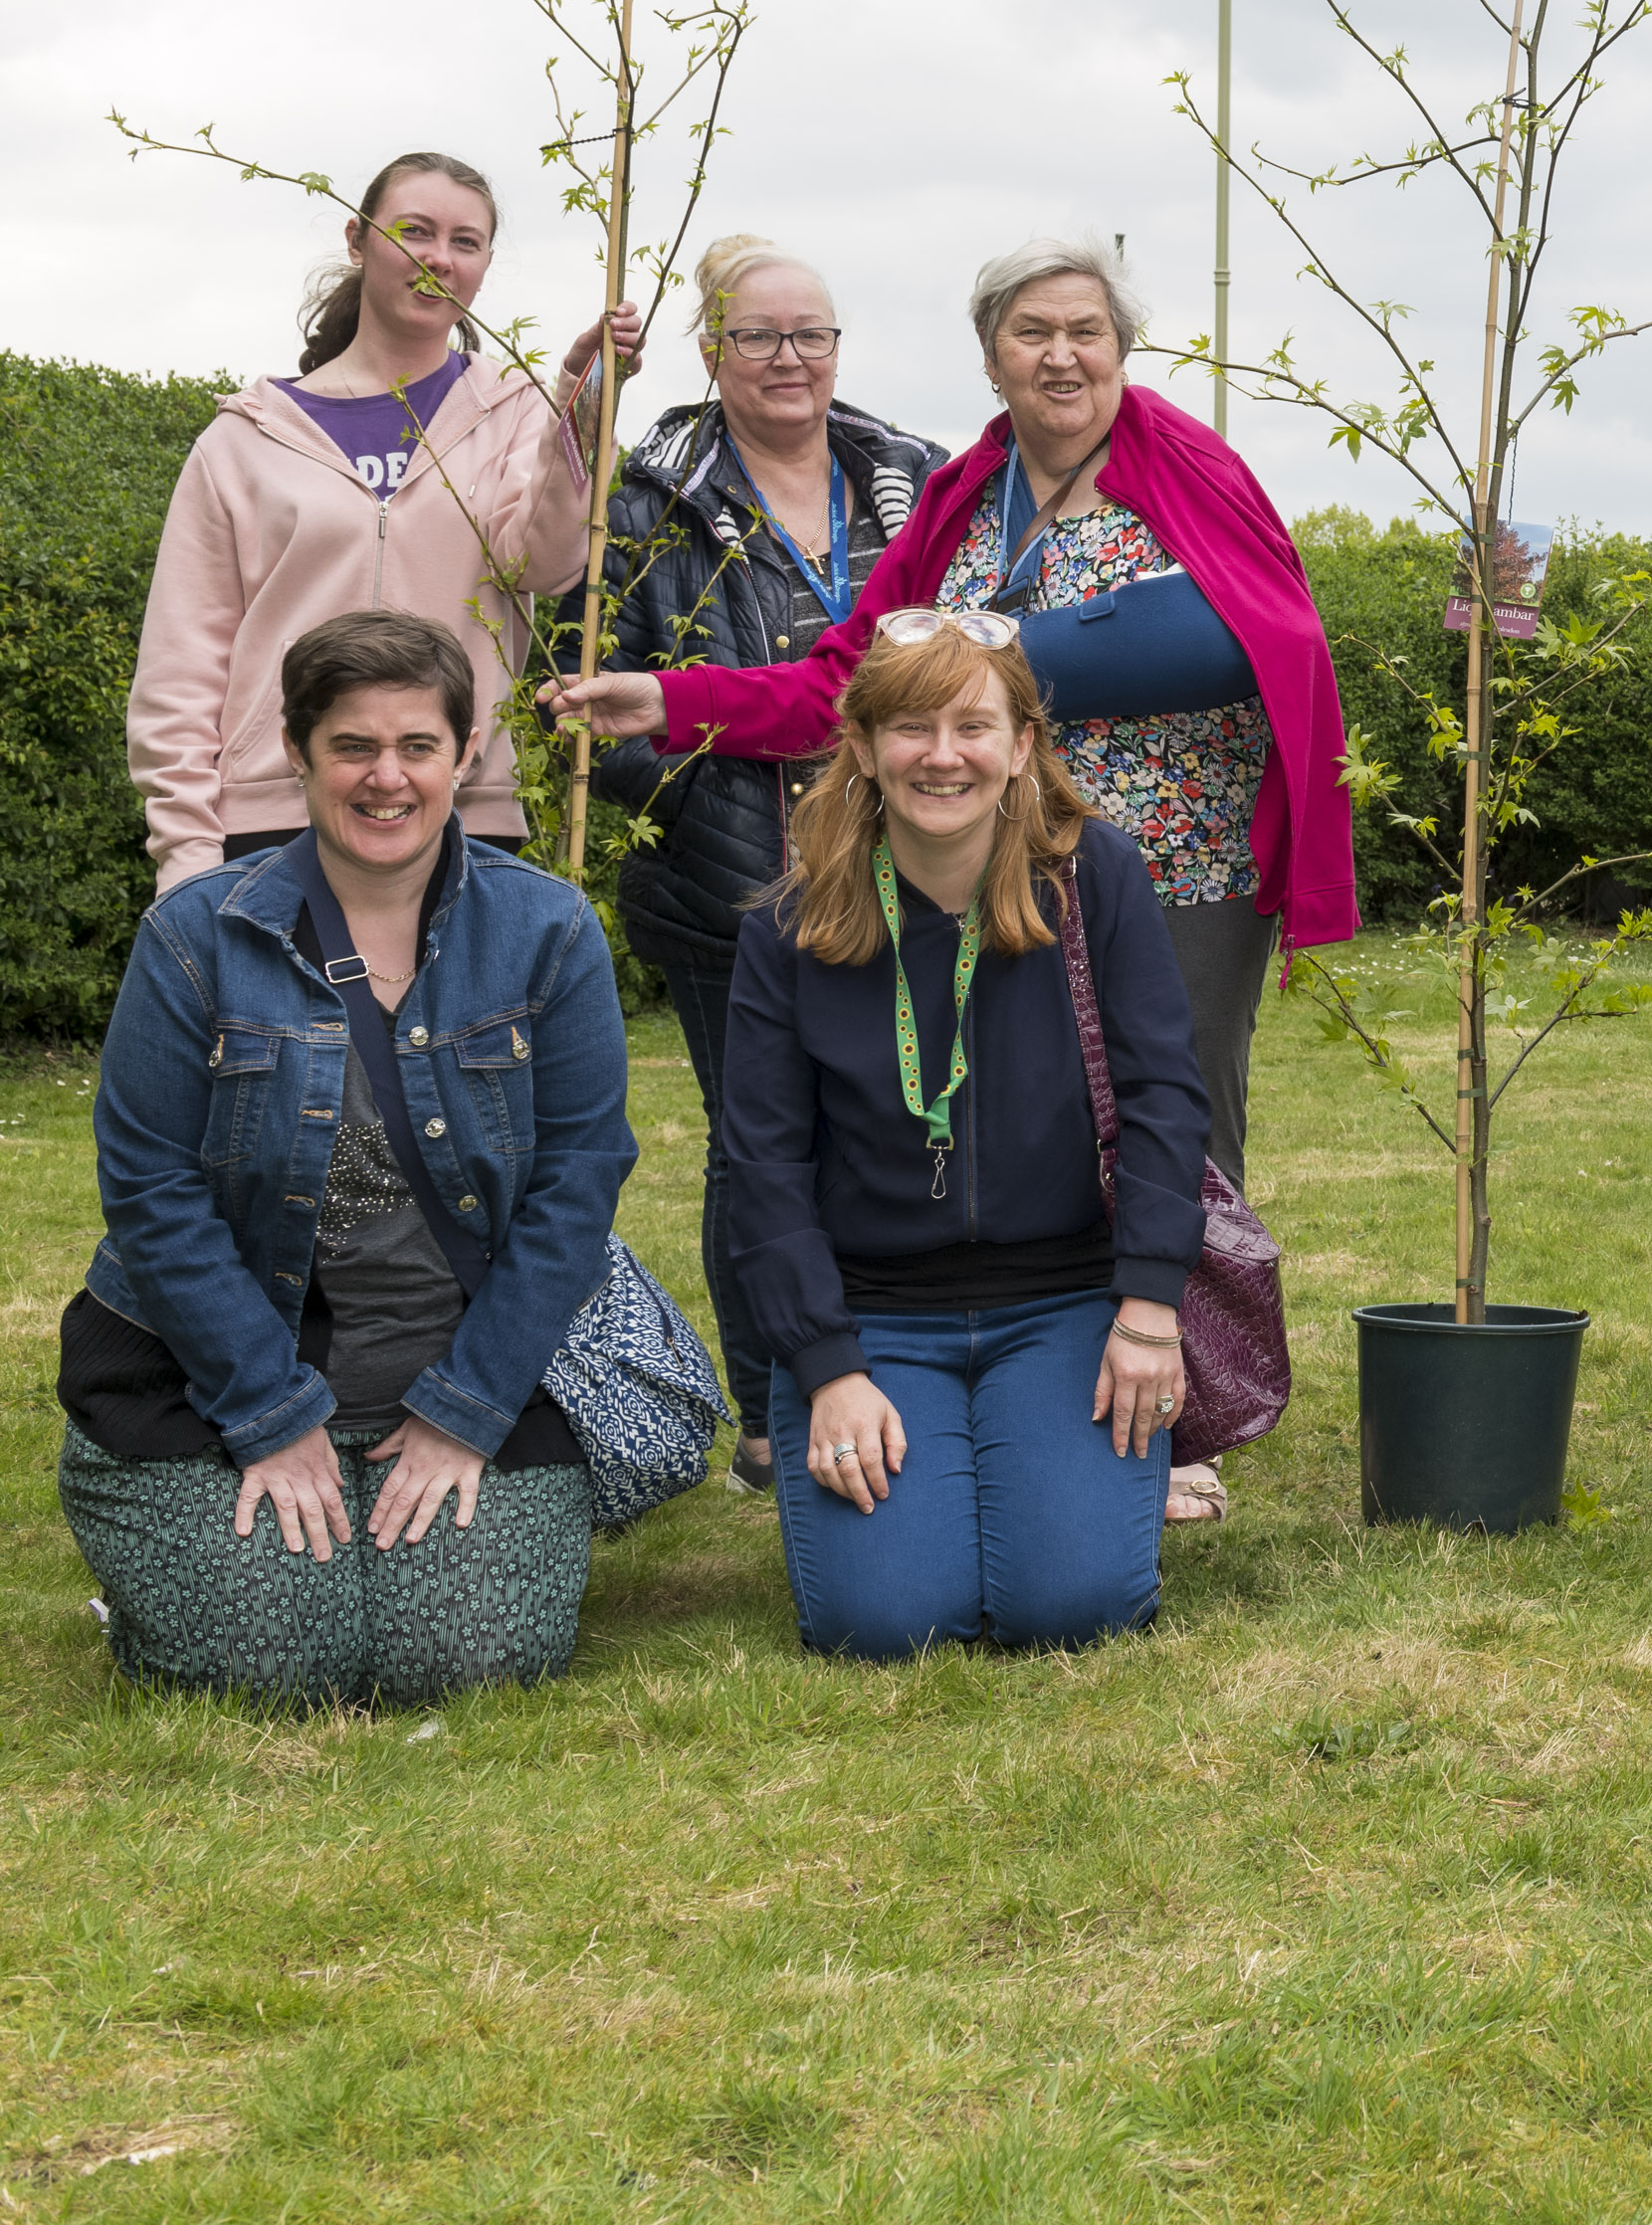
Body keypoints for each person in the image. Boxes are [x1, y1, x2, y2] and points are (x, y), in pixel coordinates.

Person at [548, 238, 1354, 1519]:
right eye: (1031, 332)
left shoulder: (1182, 465)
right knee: (1040, 1132)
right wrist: (674, 695)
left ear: (1121, 345)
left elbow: (1246, 629)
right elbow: (857, 683)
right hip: (1003, 875)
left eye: (1085, 329)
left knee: (1175, 1123)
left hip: (1177, 860)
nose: (1061, 355)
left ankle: (1179, 1409)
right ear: (990, 357)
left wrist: (991, 652)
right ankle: (1047, 1383)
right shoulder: (960, 495)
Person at [57, 609, 633, 1706]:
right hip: (217, 1373)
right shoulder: (194, 937)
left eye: (418, 746)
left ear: (467, 754)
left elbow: (577, 1183)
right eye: (353, 747)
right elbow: (151, 1192)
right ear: (298, 752)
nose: (387, 778)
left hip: (468, 1366)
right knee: (277, 1664)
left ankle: (385, 1535)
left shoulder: (549, 931)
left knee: (467, 1661)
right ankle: (158, 1584)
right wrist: (269, 1416)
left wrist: (468, 1408)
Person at [712, 617, 1209, 1656]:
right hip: (873, 1319)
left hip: (1068, 1304)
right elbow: (759, 1167)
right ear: (860, 746)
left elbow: (1164, 1095)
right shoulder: (785, 931)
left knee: (1071, 1610)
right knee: (887, 1622)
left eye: (972, 726)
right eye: (910, 728)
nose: (943, 755)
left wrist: (1150, 1304)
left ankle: (1056, 1480)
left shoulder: (1093, 881)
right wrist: (826, 1367)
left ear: (1022, 745)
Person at [574, 235, 946, 1483]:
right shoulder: (642, 499)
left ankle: (905, 1372)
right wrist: (695, 800)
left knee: (906, 1110)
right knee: (763, 1140)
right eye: (759, 336)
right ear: (710, 350)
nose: (790, 359)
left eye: (813, 335)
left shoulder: (915, 479)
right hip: (729, 879)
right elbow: (577, 691)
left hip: (911, 859)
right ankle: (767, 1411)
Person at [130, 150, 645, 889]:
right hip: (275, 818)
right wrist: (185, 857)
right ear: (358, 238)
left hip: (464, 811)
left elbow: (546, 562)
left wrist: (581, 407)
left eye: (465, 241)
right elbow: (180, 669)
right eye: (415, 231)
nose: (439, 257)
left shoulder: (514, 414)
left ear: (485, 263)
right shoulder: (244, 441)